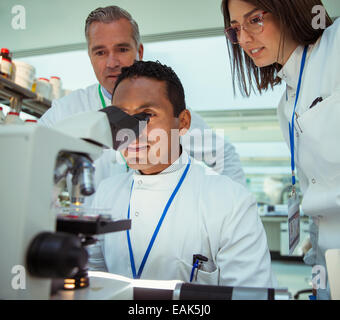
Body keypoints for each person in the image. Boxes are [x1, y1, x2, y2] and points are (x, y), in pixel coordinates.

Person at [89, 60, 275, 288]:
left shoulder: (231, 203)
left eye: (146, 115)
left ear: (183, 122)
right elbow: (93, 282)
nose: (130, 131)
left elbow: (249, 294)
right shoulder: (105, 194)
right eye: (120, 117)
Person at [38, 5, 246, 207]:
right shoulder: (66, 111)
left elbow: (224, 157)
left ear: (139, 51)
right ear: (90, 56)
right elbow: (33, 166)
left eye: (122, 49)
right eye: (100, 52)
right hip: (94, 237)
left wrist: (231, 211)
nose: (112, 62)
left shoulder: (168, 114)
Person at [221, 0, 340, 299]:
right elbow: (317, 202)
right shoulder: (285, 106)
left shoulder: (336, 45)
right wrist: (318, 274)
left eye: (255, 20)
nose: (244, 39)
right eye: (236, 28)